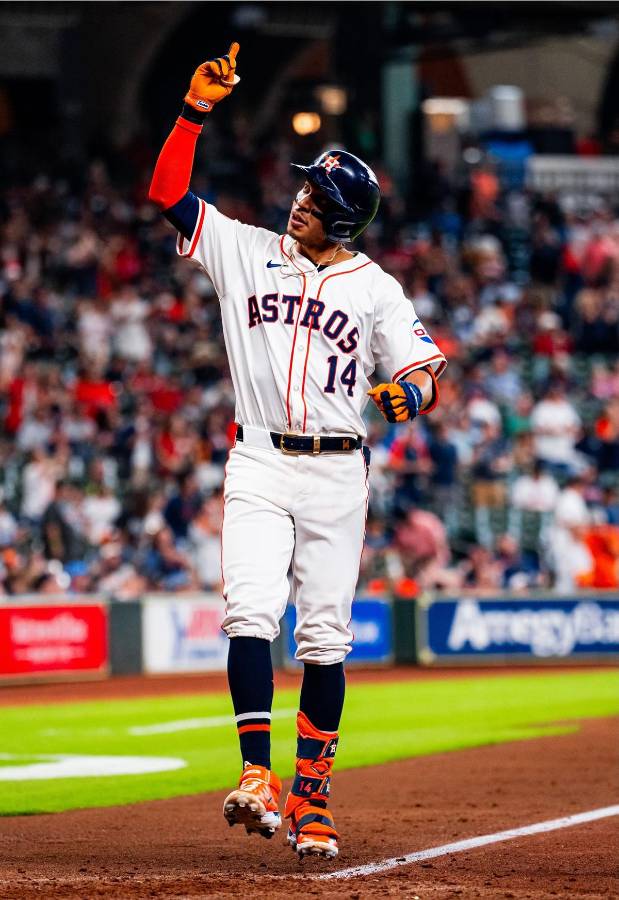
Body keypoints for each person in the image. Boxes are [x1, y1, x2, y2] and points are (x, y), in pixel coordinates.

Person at [149, 43, 446, 860]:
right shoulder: (246, 249)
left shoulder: (375, 288)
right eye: (304, 186)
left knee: (323, 638)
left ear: (343, 216)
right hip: (257, 459)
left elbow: (425, 366)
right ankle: (257, 776)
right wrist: (192, 110)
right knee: (248, 610)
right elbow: (168, 192)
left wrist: (408, 395)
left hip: (336, 471)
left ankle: (311, 798)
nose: (300, 198)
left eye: (316, 193)